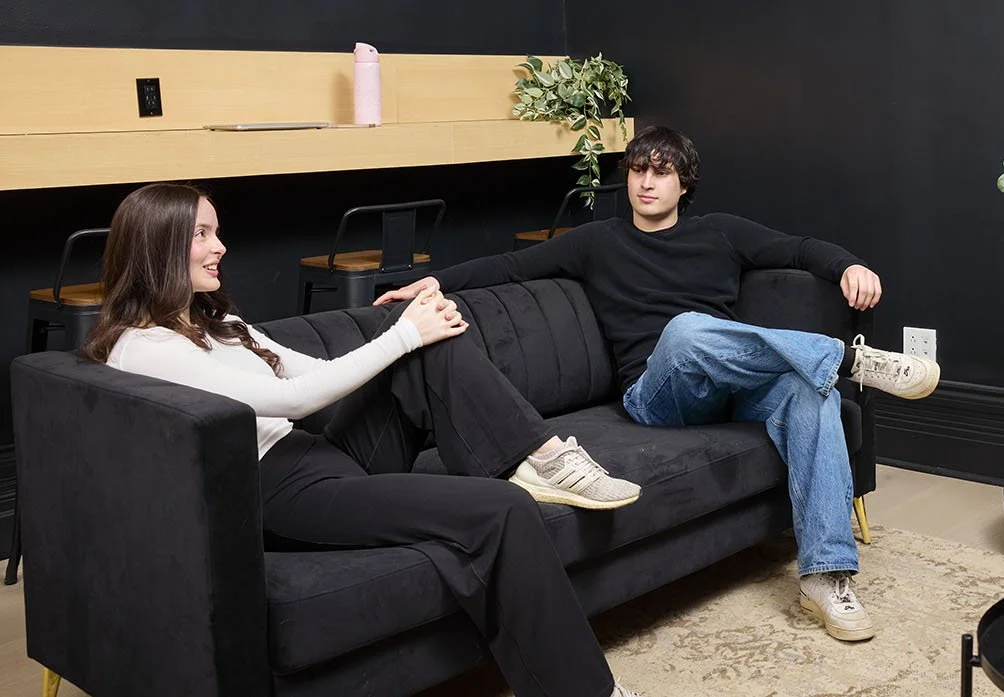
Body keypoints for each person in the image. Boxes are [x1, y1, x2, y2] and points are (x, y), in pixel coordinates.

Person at [377, 125, 941, 642]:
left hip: (732, 387)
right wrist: (431, 282)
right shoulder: (596, 241)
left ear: (683, 182)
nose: (646, 183)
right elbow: (507, 268)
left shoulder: (720, 234)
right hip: (657, 392)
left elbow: (798, 248)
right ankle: (845, 362)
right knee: (687, 330)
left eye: (660, 172)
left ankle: (826, 577)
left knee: (808, 395)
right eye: (638, 171)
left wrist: (848, 266)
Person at [83, 183, 645, 697]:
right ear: (157, 249)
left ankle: (539, 456)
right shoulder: (145, 347)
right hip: (279, 495)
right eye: (201, 235)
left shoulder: (215, 321)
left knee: (426, 344)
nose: (221, 247)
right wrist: (404, 336)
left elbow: (315, 370)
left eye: (216, 231)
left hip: (319, 456)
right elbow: (294, 400)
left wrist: (415, 330)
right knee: (503, 510)